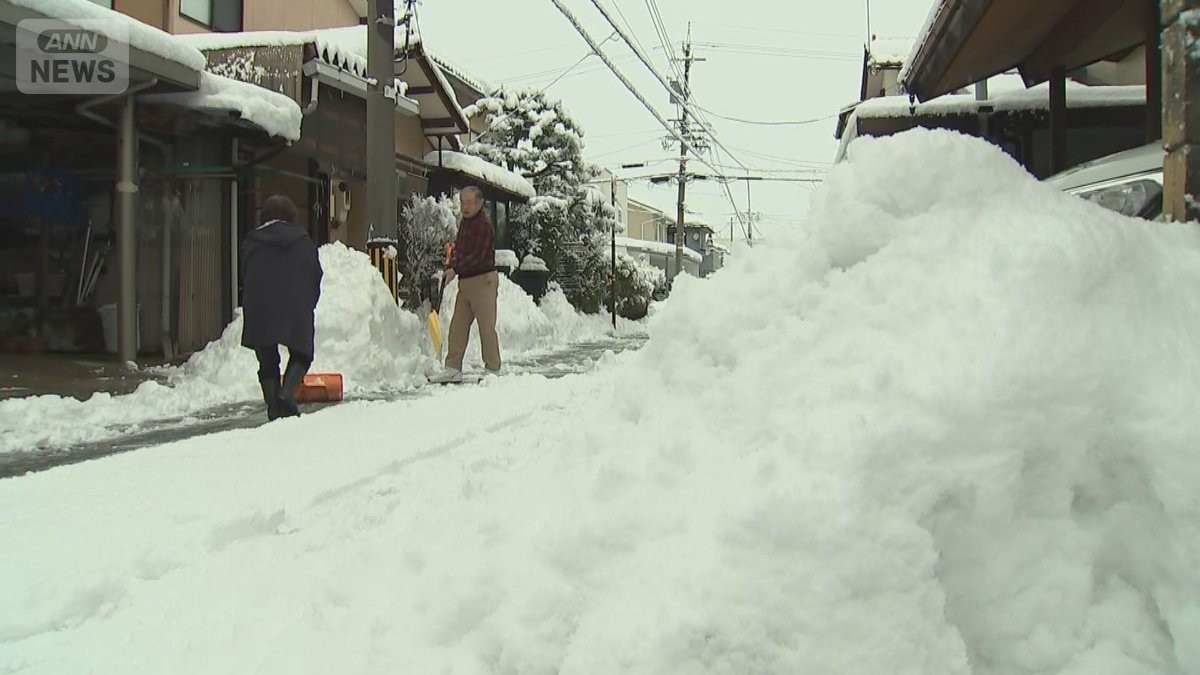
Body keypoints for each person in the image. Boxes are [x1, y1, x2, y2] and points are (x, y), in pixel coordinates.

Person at [240, 195, 323, 419]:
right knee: (301, 353)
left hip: (258, 305)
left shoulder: (250, 241)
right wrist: (308, 303)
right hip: (295, 304)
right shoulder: (304, 242)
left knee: (267, 359)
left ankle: (273, 406)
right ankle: (286, 394)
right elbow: (315, 275)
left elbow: (245, 273)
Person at [431, 186, 501, 383]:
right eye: (462, 202)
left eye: (468, 203)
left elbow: (477, 256)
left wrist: (456, 269)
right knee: (457, 326)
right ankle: (453, 367)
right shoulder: (465, 224)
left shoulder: (483, 225)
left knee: (486, 327)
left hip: (483, 280)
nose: (464, 207)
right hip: (466, 282)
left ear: (479, 203)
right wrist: (453, 264)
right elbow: (461, 252)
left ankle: (493, 368)